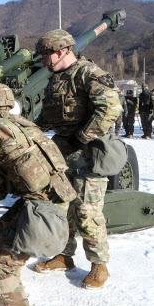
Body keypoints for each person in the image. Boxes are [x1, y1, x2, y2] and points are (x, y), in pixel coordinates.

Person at [0, 83, 75, 306]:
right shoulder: (22, 124)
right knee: (2, 227)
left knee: (0, 270)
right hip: (54, 197)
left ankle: (10, 299)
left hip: (41, 209)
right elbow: (14, 172)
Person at [32, 29, 122, 289]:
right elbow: (50, 115)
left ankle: (99, 265)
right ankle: (64, 255)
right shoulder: (57, 79)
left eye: (46, 56)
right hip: (63, 155)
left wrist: (82, 137)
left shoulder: (88, 73)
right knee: (61, 208)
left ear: (61, 51)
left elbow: (110, 109)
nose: (43, 62)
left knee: (87, 212)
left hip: (88, 154)